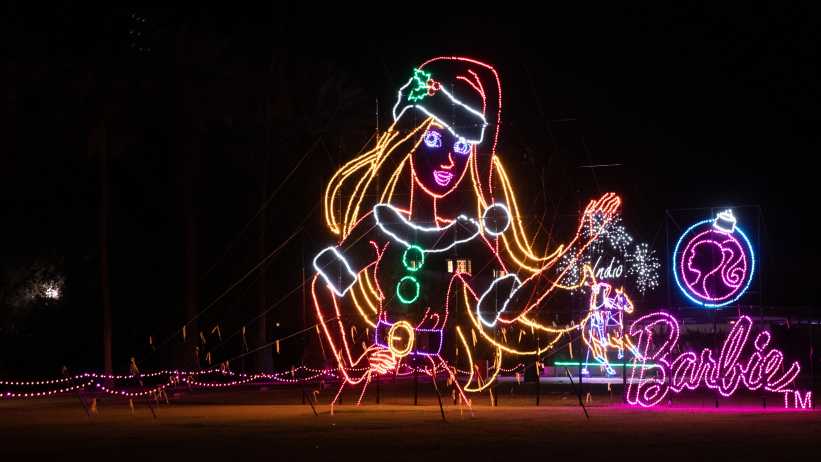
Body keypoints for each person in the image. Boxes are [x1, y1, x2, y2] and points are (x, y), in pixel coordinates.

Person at [311, 56, 621, 403]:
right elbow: (325, 284)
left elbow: (509, 308)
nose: (448, 161)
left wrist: (579, 241)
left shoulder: (464, 237)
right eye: (433, 140)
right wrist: (352, 364)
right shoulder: (384, 225)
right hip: (383, 372)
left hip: (441, 375)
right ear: (408, 142)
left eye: (461, 147)